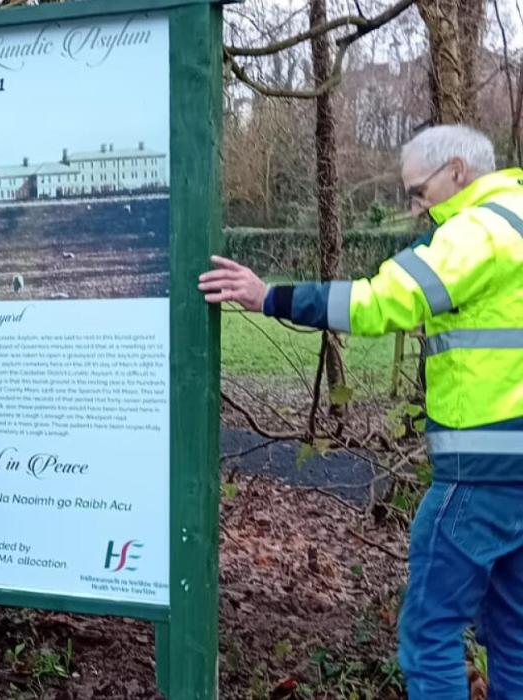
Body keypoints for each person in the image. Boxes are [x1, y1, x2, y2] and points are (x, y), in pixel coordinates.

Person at [199, 124, 523, 699]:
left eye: (418, 192)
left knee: (430, 634)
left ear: (457, 170)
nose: (416, 208)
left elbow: (380, 300)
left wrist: (270, 296)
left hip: (480, 471)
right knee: (514, 633)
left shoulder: (478, 231)